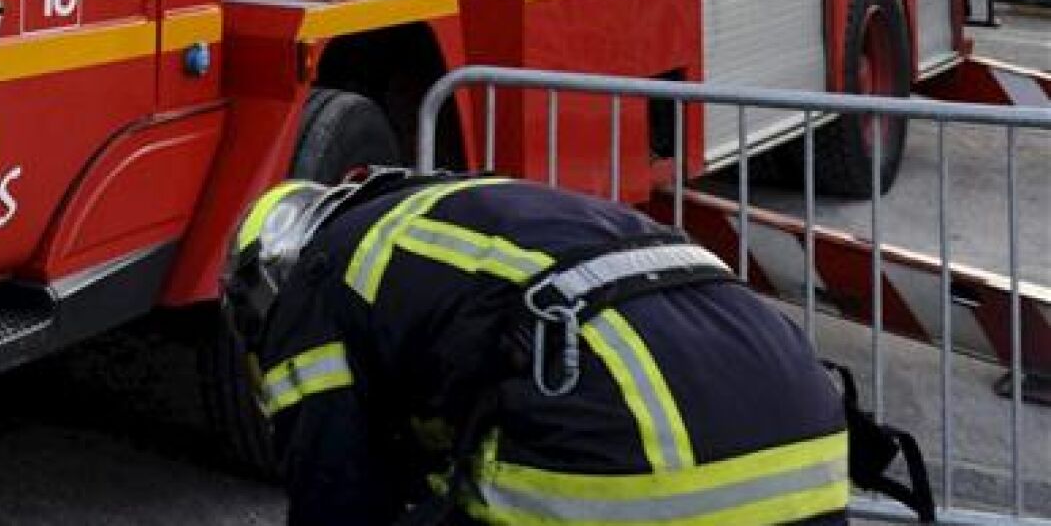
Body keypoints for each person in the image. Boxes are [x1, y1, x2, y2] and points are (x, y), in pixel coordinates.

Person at [222, 169, 934, 526]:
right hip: (809, 448)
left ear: (264, 282)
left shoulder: (315, 287)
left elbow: (336, 491)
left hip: (646, 466)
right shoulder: (462, 212)